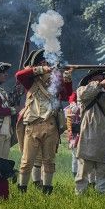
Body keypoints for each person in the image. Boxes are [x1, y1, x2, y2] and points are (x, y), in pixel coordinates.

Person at [15, 49, 73, 194]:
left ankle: (47, 190)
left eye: (47, 62)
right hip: (32, 124)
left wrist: (67, 79)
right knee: (27, 161)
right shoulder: (30, 79)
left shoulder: (56, 78)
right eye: (43, 62)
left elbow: (66, 96)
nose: (47, 64)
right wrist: (41, 69)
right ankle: (22, 189)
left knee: (49, 161)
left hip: (51, 124)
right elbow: (19, 75)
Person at [65, 92, 80, 177]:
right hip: (75, 135)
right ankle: (76, 175)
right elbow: (69, 125)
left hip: (80, 134)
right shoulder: (71, 109)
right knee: (75, 156)